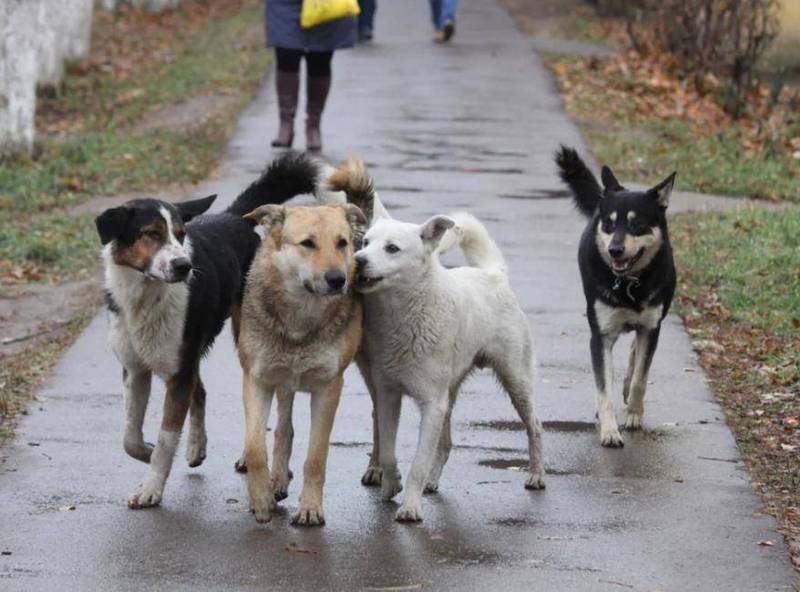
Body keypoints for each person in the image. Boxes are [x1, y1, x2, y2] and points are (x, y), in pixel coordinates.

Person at [266, 0, 357, 151]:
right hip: (284, 6)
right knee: (286, 54)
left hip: (325, 5)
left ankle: (313, 125)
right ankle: (286, 123)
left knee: (320, 58)